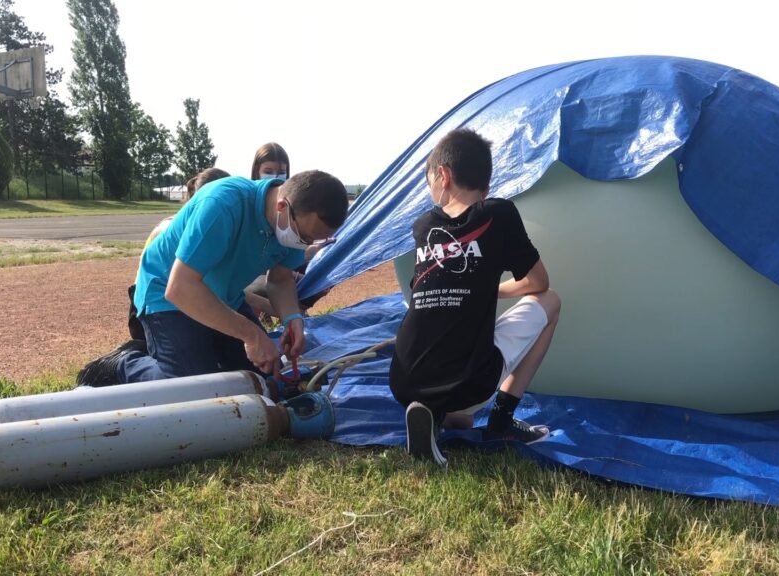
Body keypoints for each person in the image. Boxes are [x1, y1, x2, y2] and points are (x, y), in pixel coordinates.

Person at [388, 128, 562, 467]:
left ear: (443, 175)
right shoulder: (498, 214)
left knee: (463, 419)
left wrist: (480, 287)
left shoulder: (424, 225)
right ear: (486, 183)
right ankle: (502, 418)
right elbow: (538, 282)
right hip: (468, 380)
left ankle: (433, 416)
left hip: (404, 379)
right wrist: (492, 288)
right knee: (552, 301)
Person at [79, 169, 349, 385]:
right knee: (192, 388)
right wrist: (253, 335)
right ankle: (125, 363)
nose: (305, 244)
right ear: (282, 206)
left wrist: (293, 319)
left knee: (262, 378)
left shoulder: (290, 225)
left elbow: (279, 280)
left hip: (223, 298)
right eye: (304, 237)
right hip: (168, 296)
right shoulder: (222, 205)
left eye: (313, 240)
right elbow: (180, 287)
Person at [127, 167, 230, 340]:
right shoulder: (170, 230)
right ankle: (128, 360)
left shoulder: (213, 230)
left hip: (182, 301)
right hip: (150, 311)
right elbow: (182, 288)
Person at [243, 143, 335, 321]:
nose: (275, 177)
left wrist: (315, 251)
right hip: (250, 278)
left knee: (311, 279)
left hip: (269, 273)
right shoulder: (245, 210)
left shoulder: (290, 212)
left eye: (281, 172)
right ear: (256, 171)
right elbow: (268, 266)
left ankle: (293, 313)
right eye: (268, 171)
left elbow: (285, 259)